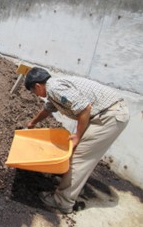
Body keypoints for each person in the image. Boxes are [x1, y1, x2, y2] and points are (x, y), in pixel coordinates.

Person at [24, 67, 130, 214]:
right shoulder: (55, 89)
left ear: (37, 86)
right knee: (76, 151)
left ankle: (62, 201)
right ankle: (66, 183)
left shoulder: (55, 88)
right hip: (108, 114)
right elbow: (48, 109)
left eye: (33, 92)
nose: (36, 95)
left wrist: (77, 136)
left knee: (80, 158)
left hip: (109, 117)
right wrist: (32, 123)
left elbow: (85, 109)